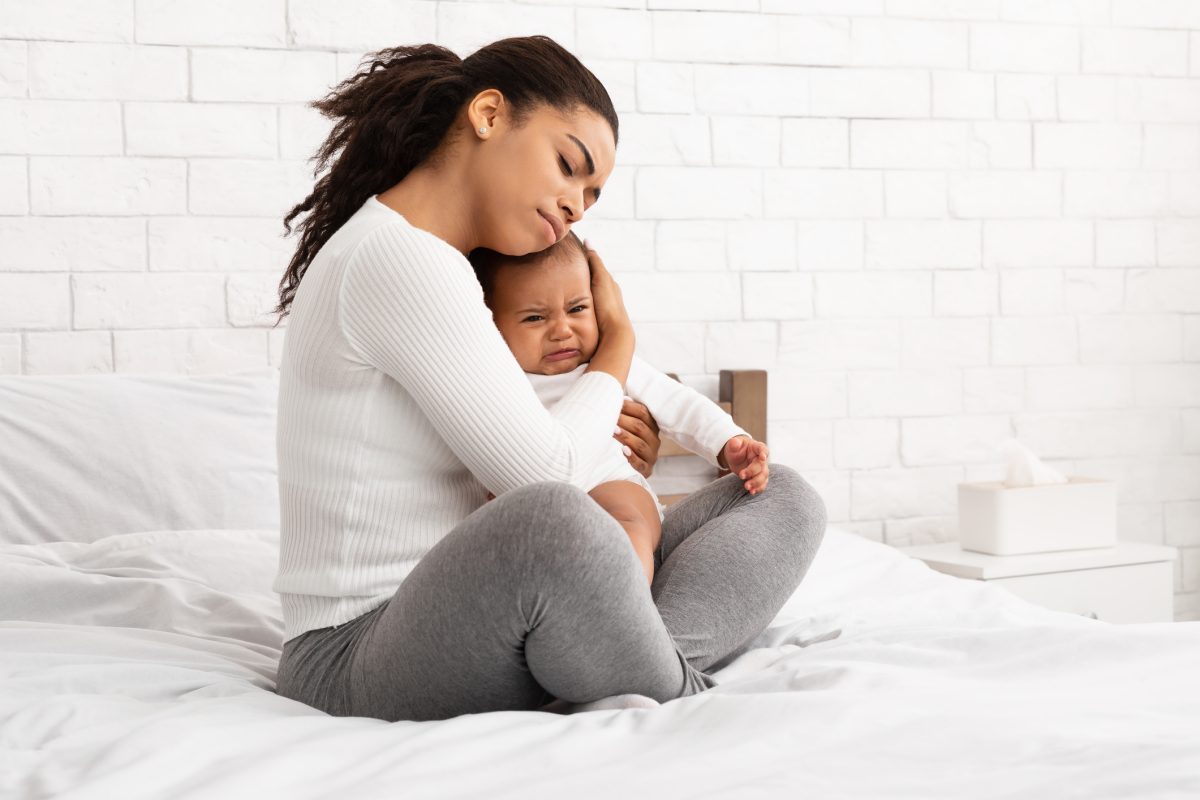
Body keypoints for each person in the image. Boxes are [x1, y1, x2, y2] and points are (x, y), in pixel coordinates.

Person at [270, 35, 828, 723]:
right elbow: (546, 479)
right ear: (488, 114)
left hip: (482, 613)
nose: (576, 205)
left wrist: (609, 443)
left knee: (780, 498)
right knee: (555, 521)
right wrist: (616, 344)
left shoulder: (447, 264)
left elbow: (548, 452)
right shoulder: (399, 258)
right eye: (569, 166)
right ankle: (674, 694)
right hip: (357, 653)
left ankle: (619, 655)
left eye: (591, 195)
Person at [468, 231, 771, 585]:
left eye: (577, 308)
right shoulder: (494, 380)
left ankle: (629, 598)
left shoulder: (610, 363)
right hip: (533, 510)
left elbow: (677, 401)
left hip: (609, 484)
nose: (562, 330)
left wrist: (728, 442)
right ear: (491, 325)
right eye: (535, 318)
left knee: (626, 526)